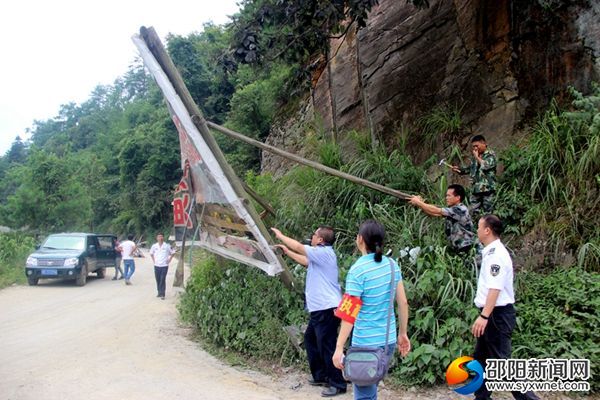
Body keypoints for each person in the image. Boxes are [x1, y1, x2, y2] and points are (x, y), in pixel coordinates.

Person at [332, 220, 411, 400]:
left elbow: (349, 313)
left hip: (365, 345)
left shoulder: (358, 270)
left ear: (360, 239)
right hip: (387, 341)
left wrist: (338, 347)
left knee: (364, 396)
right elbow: (403, 302)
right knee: (370, 389)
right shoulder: (392, 265)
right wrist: (403, 333)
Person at [271, 226, 347, 397]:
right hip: (319, 309)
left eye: (314, 235)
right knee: (310, 339)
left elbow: (299, 247)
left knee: (327, 345)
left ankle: (337, 383)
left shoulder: (324, 253)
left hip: (326, 308)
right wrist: (286, 252)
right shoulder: (318, 256)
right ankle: (321, 375)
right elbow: (305, 260)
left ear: (320, 240)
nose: (311, 237)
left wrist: (281, 235)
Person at [471, 215, 539, 400]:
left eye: (479, 227)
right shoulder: (490, 252)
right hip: (491, 313)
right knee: (482, 359)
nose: (477, 230)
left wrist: (484, 317)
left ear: (487, 230)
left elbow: (495, 287)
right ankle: (482, 397)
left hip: (496, 315)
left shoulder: (497, 255)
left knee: (503, 365)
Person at [409, 184, 475, 254]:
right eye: (446, 195)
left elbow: (436, 210)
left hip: (466, 248)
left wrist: (419, 202)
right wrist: (420, 204)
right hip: (458, 248)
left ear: (458, 197)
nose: (446, 198)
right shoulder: (452, 210)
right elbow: (433, 213)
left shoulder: (460, 209)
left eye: (449, 195)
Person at [452, 135, 497, 217]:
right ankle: (474, 228)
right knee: (472, 212)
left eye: (477, 146)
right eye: (473, 147)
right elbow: (470, 169)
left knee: (489, 214)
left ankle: (488, 229)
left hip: (488, 189)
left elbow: (486, 165)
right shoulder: (475, 157)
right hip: (476, 189)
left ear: (484, 144)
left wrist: (476, 157)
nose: (475, 148)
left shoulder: (490, 155)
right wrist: (460, 170)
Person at [149, 233, 176, 300]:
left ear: (163, 238)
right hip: (157, 265)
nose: (160, 238)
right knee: (157, 279)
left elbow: (173, 253)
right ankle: (159, 292)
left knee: (162, 279)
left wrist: (169, 260)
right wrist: (154, 260)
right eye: (159, 237)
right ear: (157, 238)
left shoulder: (167, 246)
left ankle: (163, 294)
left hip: (164, 265)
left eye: (161, 236)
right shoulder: (154, 246)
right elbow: (151, 253)